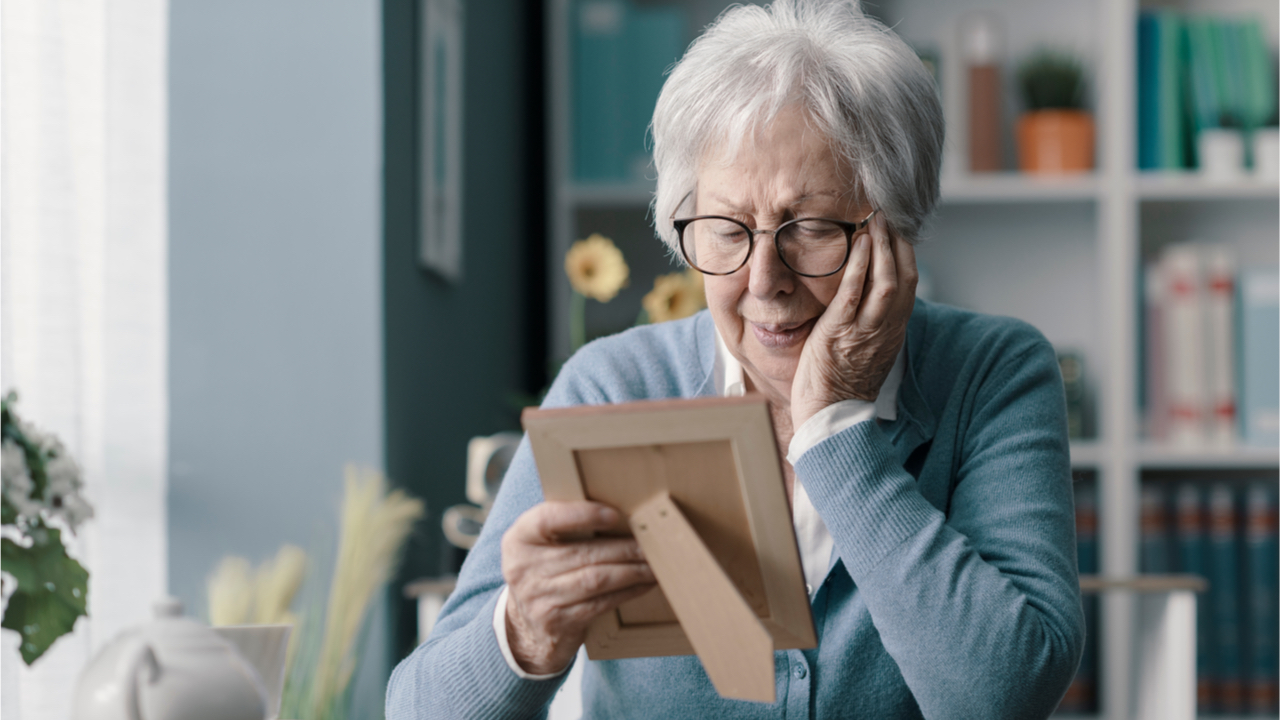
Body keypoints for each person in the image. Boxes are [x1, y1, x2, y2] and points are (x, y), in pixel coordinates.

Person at [386, 1, 1084, 717]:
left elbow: (1002, 695)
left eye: (809, 228)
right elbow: (417, 709)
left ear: (895, 228)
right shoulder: (614, 387)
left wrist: (837, 429)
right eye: (725, 229)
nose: (763, 282)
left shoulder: (993, 374)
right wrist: (524, 632)